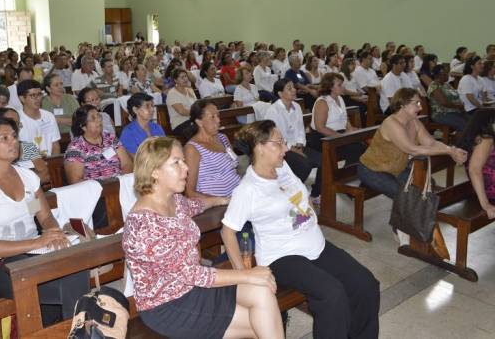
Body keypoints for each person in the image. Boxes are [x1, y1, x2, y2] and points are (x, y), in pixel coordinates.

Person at [222, 121, 379, 339]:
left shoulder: (282, 167)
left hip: (315, 245)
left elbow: (298, 196)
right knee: (332, 294)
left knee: (365, 284)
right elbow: (227, 231)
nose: (285, 149)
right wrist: (243, 274)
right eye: (279, 143)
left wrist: (310, 213)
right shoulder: (248, 189)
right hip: (283, 256)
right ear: (259, 147)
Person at [123, 136, 284, 339]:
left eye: (183, 160)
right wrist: (248, 274)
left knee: (261, 293)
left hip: (193, 288)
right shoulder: (145, 225)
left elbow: (194, 205)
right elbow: (194, 275)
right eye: (176, 163)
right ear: (154, 171)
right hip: (168, 306)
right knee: (261, 322)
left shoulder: (173, 200)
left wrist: (221, 200)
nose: (186, 167)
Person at [0, 119, 89, 324]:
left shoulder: (27, 177)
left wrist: (54, 234)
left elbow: (45, 216)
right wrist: (38, 242)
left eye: (14, 136)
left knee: (76, 269)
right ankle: (72, 330)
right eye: (4, 138)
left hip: (32, 253)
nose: (13, 142)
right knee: (68, 285)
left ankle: (61, 329)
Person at [357, 88, 467, 241]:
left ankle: (413, 225)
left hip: (396, 168)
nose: (420, 107)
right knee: (404, 194)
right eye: (416, 103)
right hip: (371, 169)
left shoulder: (414, 122)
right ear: (403, 105)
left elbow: (431, 142)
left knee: (425, 185)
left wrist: (452, 149)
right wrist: (449, 152)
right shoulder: (391, 123)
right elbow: (412, 149)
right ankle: (401, 231)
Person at [265, 79, 322, 206]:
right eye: (289, 88)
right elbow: (275, 137)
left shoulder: (296, 106)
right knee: (305, 165)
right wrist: (292, 148)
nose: (294, 90)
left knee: (324, 161)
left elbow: (300, 129)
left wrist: (300, 144)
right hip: (280, 149)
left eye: (293, 87)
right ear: (280, 94)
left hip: (298, 146)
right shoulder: (273, 110)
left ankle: (315, 194)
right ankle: (290, 194)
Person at [184, 100, 241, 200]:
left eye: (218, 116)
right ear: (199, 122)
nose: (218, 120)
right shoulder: (192, 149)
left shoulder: (223, 138)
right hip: (217, 205)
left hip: (238, 195)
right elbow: (190, 192)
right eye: (212, 117)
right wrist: (221, 201)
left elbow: (235, 168)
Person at [64, 104, 133, 184]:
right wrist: (103, 189)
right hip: (94, 193)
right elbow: (75, 181)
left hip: (119, 186)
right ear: (83, 126)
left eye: (99, 116)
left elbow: (127, 164)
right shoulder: (75, 148)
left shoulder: (110, 138)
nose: (99, 120)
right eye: (93, 118)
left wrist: (120, 184)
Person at [308, 73, 365, 166]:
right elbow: (320, 127)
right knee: (356, 148)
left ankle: (350, 172)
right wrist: (340, 137)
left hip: (338, 134)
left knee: (362, 144)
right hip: (323, 138)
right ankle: (345, 174)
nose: (342, 87)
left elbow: (344, 118)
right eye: (339, 85)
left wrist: (350, 130)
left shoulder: (340, 98)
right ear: (330, 87)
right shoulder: (322, 102)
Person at [0, 107, 50, 185]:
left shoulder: (28, 147)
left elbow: (45, 176)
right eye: (11, 122)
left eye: (17, 123)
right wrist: (32, 177)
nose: (15, 126)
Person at [458, 109, 495, 219]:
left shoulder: (482, 138)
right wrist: (486, 205)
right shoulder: (485, 140)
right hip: (489, 188)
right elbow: (474, 170)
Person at [17, 80, 60, 157]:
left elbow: (55, 146)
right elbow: (17, 147)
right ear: (22, 98)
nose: (38, 98)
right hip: (25, 165)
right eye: (33, 95)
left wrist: (52, 164)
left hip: (48, 162)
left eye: (40, 94)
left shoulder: (49, 116)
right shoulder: (16, 118)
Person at [426, 65, 468, 131]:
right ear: (438, 75)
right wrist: (458, 106)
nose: (448, 75)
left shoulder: (447, 85)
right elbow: (444, 103)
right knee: (463, 123)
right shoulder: (434, 86)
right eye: (445, 73)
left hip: (455, 111)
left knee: (471, 120)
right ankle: (463, 141)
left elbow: (456, 96)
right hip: (441, 114)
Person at [166, 68, 198, 135]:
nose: (185, 79)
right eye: (182, 77)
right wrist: (197, 113)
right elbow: (182, 111)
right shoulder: (172, 93)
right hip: (180, 124)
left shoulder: (189, 90)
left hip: (192, 120)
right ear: (175, 80)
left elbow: (197, 105)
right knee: (199, 128)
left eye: (186, 76)